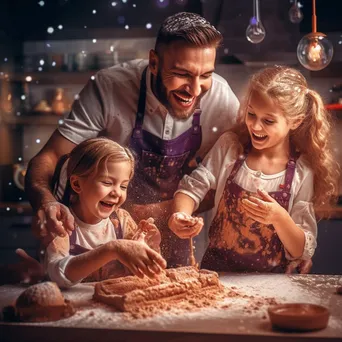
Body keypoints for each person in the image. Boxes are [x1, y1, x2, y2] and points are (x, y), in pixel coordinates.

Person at [25, 12, 240, 267]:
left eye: (206, 75)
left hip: (178, 229)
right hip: (106, 229)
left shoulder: (221, 98)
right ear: (154, 62)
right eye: (182, 74)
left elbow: (235, 177)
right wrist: (45, 201)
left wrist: (170, 211)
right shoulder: (110, 86)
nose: (195, 90)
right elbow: (50, 157)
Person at [169, 65, 340, 273]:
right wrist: (180, 215)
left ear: (295, 122)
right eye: (251, 114)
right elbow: (192, 188)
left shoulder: (301, 171)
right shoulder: (230, 147)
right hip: (217, 278)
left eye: (268, 120)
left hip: (272, 288)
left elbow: (299, 251)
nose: (256, 126)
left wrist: (279, 217)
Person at [43, 137, 166, 288]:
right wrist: (112, 249)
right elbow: (57, 275)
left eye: (123, 186)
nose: (116, 193)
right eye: (107, 183)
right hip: (75, 308)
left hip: (113, 308)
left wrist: (149, 246)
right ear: (76, 184)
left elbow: (142, 273)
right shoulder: (62, 223)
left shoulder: (122, 220)